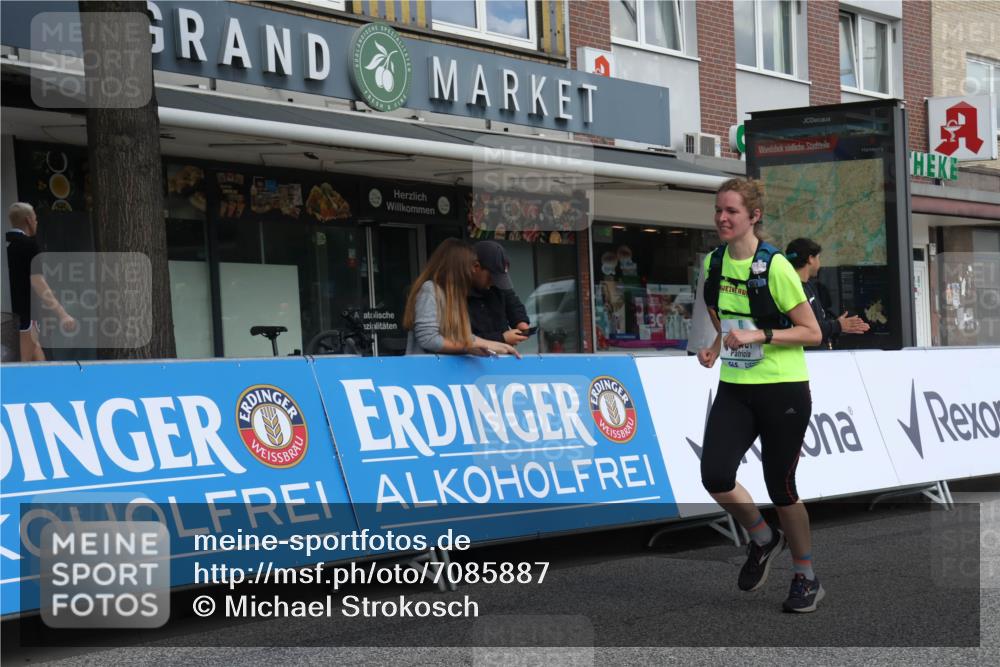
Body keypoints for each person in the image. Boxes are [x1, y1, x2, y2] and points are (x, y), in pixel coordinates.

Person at [696, 179, 825, 613]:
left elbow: (812, 331)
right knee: (714, 475)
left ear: (754, 217)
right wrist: (716, 344)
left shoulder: (776, 267)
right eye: (718, 210)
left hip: (782, 389)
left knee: (781, 487)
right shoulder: (712, 263)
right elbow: (726, 316)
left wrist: (761, 334)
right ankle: (763, 537)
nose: (722, 218)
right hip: (735, 387)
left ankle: (806, 575)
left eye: (732, 211)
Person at [403, 238, 519, 358]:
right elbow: (428, 339)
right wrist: (472, 346)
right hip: (425, 372)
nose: (474, 270)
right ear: (458, 268)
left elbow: (462, 338)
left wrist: (496, 345)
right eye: (471, 266)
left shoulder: (455, 296)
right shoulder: (430, 289)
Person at [6, 203, 76, 362]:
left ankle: (51, 384)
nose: (36, 223)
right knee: (23, 365)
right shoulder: (29, 245)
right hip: (26, 317)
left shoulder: (9, 246)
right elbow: (38, 283)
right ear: (28, 220)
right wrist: (62, 314)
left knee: (39, 359)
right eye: (35, 219)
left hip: (14, 316)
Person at [785, 238, 870, 349]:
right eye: (818, 258)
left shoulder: (808, 285)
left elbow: (818, 323)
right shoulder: (793, 289)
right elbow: (808, 329)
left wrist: (836, 325)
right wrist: (838, 325)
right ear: (810, 259)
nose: (820, 263)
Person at [468, 241, 531, 346]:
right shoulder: (457, 295)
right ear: (476, 267)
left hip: (504, 356)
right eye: (491, 277)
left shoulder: (499, 287)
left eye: (499, 279)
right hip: (472, 358)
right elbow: (463, 339)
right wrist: (502, 338)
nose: (493, 283)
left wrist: (521, 323)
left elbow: (513, 304)